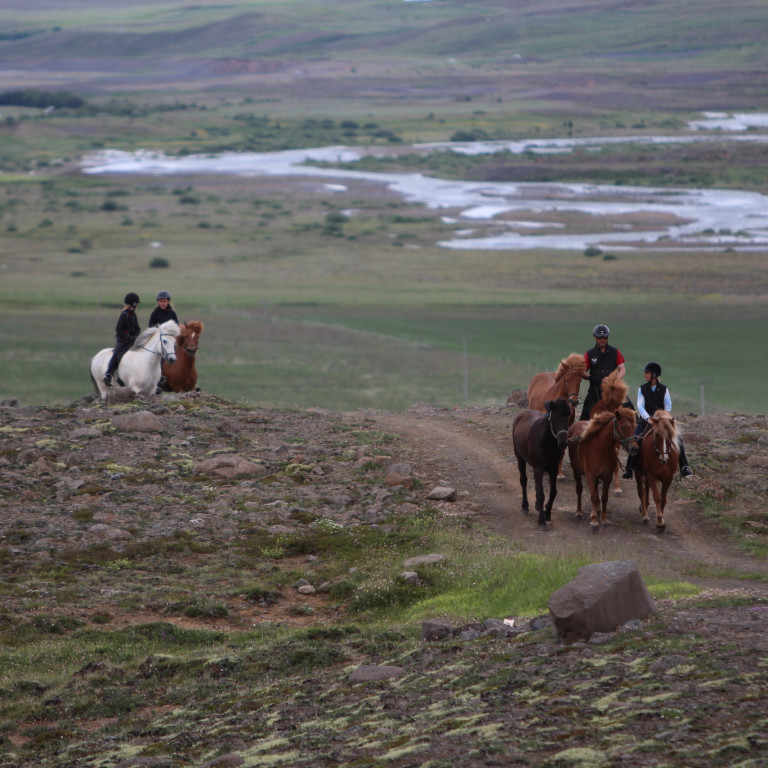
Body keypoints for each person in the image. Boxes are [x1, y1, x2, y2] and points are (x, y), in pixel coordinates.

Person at [622, 361, 694, 479]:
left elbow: (668, 406)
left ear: (654, 375)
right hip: (646, 421)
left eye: (647, 373)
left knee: (678, 439)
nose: (645, 374)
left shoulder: (664, 389)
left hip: (663, 420)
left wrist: (662, 417)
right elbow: (640, 406)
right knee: (635, 439)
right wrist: (648, 418)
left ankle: (684, 467)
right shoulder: (642, 389)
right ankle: (629, 468)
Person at [579, 323, 626, 421]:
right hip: (594, 389)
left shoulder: (615, 352)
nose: (602, 339)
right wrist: (591, 378)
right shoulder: (589, 354)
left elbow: (622, 369)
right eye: (599, 337)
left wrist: (613, 380)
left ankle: (637, 431)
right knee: (584, 417)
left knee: (628, 407)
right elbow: (582, 372)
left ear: (607, 337)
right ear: (595, 337)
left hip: (612, 390)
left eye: (604, 337)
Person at [103, 292, 141, 386]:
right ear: (134, 304)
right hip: (123, 341)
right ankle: (108, 374)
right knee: (117, 354)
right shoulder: (124, 314)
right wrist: (128, 337)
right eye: (136, 303)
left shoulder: (133, 315)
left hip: (133, 341)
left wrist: (137, 335)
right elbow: (118, 329)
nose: (137, 305)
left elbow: (137, 328)